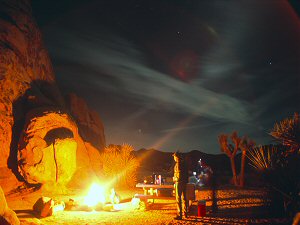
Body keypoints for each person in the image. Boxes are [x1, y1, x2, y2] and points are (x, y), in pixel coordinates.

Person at [173, 151, 188, 220]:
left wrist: (175, 179)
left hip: (179, 182)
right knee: (184, 198)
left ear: (176, 157)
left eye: (174, 157)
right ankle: (185, 213)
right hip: (184, 182)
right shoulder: (184, 163)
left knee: (178, 198)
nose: (174, 158)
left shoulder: (178, 164)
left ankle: (180, 215)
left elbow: (179, 174)